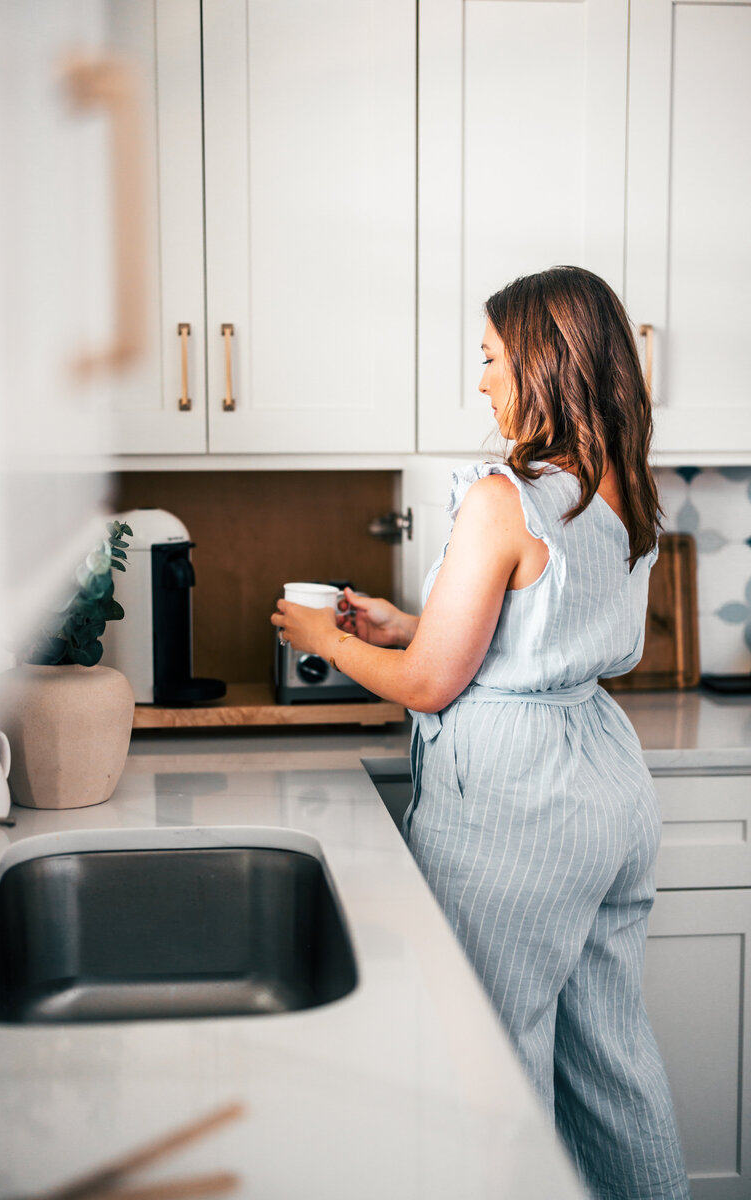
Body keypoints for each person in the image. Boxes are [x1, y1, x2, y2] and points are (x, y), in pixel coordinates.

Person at [271, 266, 691, 1200]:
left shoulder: (504, 497)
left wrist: (327, 644)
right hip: (606, 790)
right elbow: (538, 629)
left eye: (493, 357)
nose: (482, 380)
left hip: (518, 809)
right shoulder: (623, 486)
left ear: (544, 364)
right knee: (610, 1062)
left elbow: (429, 687)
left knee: (488, 1066)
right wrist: (404, 621)